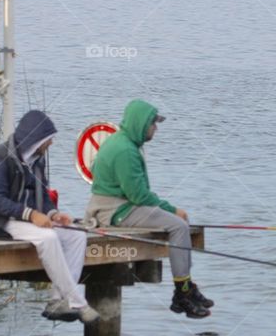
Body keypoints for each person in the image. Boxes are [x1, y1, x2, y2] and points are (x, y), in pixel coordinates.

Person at [84, 99, 214, 319]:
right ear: (142, 124)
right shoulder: (126, 151)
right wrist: (172, 210)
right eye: (154, 123)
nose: (156, 128)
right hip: (117, 211)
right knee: (179, 227)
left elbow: (97, 170)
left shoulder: (118, 141)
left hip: (115, 206)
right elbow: (139, 195)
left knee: (179, 226)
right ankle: (181, 294)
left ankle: (187, 286)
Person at [0, 110, 100, 324]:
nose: (51, 143)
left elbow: (42, 194)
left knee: (77, 235)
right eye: (48, 139)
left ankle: (57, 300)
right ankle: (78, 303)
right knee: (49, 238)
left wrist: (53, 213)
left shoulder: (36, 160)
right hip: (2, 222)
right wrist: (31, 214)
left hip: (29, 220)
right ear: (35, 140)